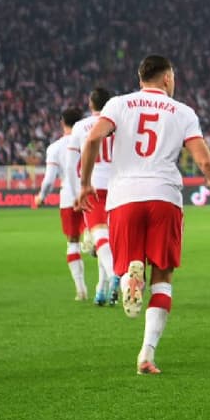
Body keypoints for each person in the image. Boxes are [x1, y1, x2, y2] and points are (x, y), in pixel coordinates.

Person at [76, 55, 210, 375]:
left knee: (127, 263)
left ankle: (129, 275)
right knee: (163, 277)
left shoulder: (118, 104)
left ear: (140, 77)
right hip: (164, 197)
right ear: (168, 78)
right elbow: (206, 163)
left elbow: (92, 140)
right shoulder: (183, 113)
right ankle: (147, 354)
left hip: (123, 198)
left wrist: (86, 184)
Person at [34, 109, 90, 300]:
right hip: (92, 192)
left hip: (69, 197)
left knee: (72, 242)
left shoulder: (55, 148)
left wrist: (41, 197)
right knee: (102, 237)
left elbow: (49, 179)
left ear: (61, 123)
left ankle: (81, 289)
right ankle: (105, 286)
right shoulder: (89, 140)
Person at [69, 87, 117, 306]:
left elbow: (72, 165)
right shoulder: (118, 124)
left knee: (99, 237)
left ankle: (116, 274)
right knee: (107, 241)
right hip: (118, 187)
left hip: (93, 186)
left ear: (91, 105)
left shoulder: (80, 126)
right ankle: (101, 289)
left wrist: (76, 192)